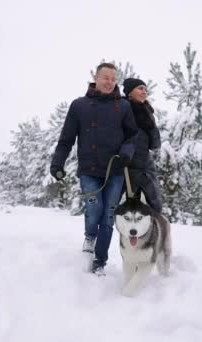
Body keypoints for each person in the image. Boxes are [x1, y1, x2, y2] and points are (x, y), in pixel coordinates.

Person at [50, 63, 138, 276]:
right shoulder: (79, 105)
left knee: (108, 215)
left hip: (115, 170)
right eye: (105, 77)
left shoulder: (123, 106)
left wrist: (126, 153)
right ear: (95, 78)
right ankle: (90, 235)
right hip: (89, 169)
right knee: (93, 209)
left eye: (112, 78)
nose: (109, 82)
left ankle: (100, 260)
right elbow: (66, 139)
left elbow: (132, 135)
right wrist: (57, 163)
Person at [121, 78, 163, 213]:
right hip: (126, 166)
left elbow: (155, 144)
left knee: (155, 206)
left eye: (145, 89)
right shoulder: (121, 109)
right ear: (129, 92)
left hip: (145, 165)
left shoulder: (147, 112)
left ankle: (156, 233)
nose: (144, 92)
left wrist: (151, 124)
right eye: (140, 88)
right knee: (124, 210)